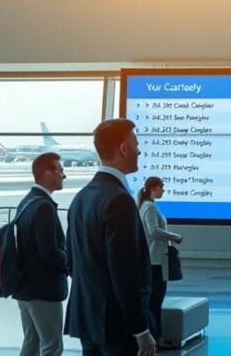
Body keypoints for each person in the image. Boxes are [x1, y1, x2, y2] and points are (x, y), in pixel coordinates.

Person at [65, 119, 155, 356]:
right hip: (116, 326)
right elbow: (124, 271)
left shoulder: (81, 198)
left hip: (87, 319)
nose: (139, 150)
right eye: (136, 144)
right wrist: (141, 329)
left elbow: (72, 263)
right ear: (124, 149)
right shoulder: (119, 200)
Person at [13, 152, 69, 356]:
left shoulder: (27, 201)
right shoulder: (44, 206)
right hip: (43, 289)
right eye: (61, 171)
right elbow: (49, 253)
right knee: (52, 346)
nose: (64, 176)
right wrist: (71, 264)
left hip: (26, 288)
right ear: (47, 173)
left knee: (31, 343)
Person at [138, 176, 184, 350]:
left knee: (153, 301)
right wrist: (174, 236)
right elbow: (154, 231)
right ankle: (158, 338)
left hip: (153, 259)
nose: (163, 190)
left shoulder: (146, 206)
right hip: (155, 260)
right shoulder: (149, 207)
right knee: (155, 302)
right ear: (153, 188)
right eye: (161, 187)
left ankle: (157, 337)